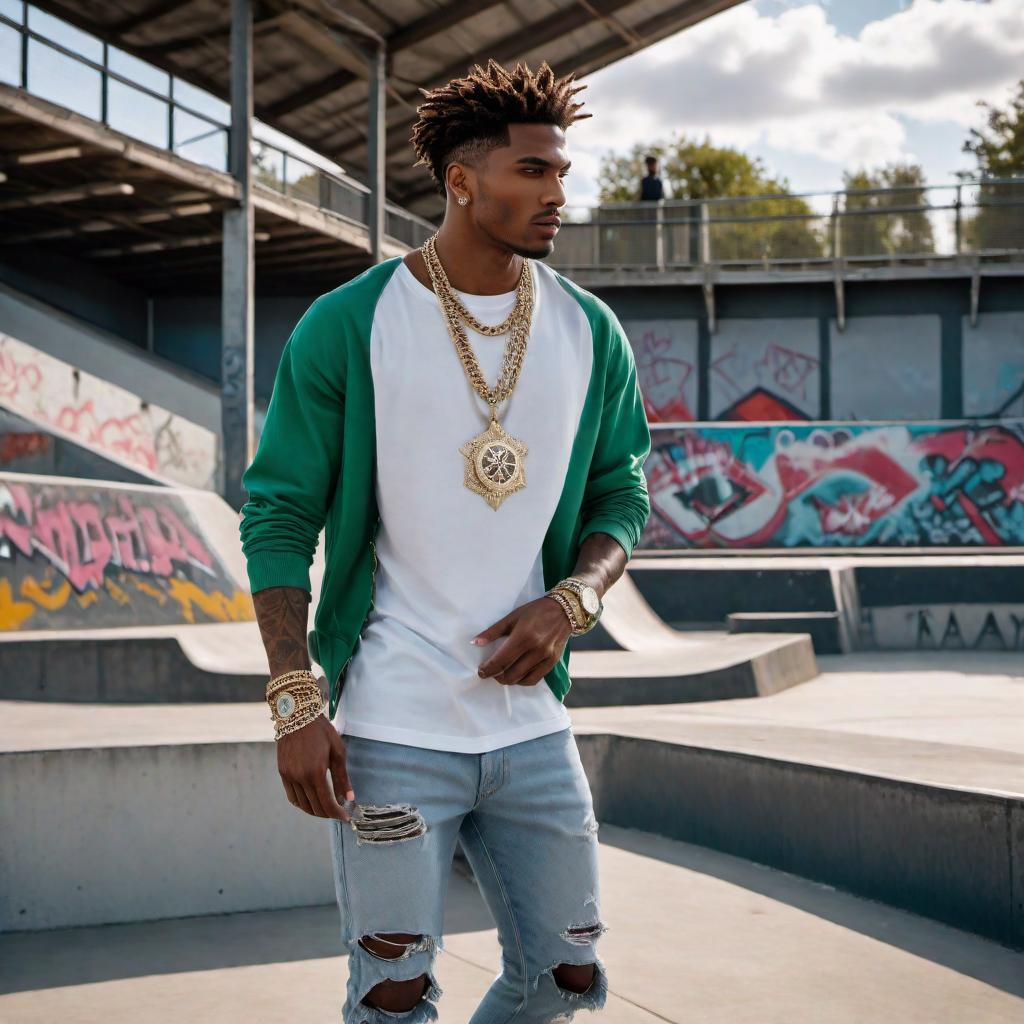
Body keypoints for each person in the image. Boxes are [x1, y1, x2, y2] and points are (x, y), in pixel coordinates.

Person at [239, 58, 651, 1024]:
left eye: (560, 170)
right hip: (390, 729)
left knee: (569, 979)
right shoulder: (351, 324)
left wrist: (572, 600)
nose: (558, 192)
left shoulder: (591, 331)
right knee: (392, 992)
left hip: (532, 732)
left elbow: (621, 492)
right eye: (533, 171)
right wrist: (295, 698)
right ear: (463, 181)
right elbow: (280, 514)